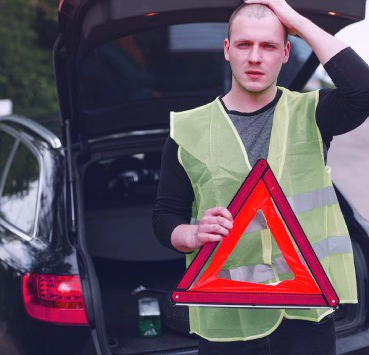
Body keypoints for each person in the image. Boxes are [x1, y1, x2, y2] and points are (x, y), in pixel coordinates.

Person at [152, 0, 369, 353]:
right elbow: (164, 217)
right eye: (244, 44)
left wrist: (296, 20)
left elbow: (363, 91)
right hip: (228, 319)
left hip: (303, 317)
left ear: (286, 52)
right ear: (227, 50)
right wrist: (191, 233)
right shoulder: (187, 130)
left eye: (268, 45)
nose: (255, 57)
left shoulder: (311, 113)